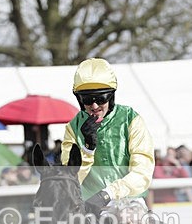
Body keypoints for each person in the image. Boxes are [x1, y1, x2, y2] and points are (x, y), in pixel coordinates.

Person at [61, 58, 154, 213]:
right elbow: (70, 178)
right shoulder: (73, 127)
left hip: (130, 203)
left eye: (100, 98)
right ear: (79, 99)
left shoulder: (131, 120)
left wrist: (108, 194)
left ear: (111, 96)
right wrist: (87, 149)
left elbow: (142, 172)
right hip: (87, 206)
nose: (94, 106)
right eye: (87, 99)